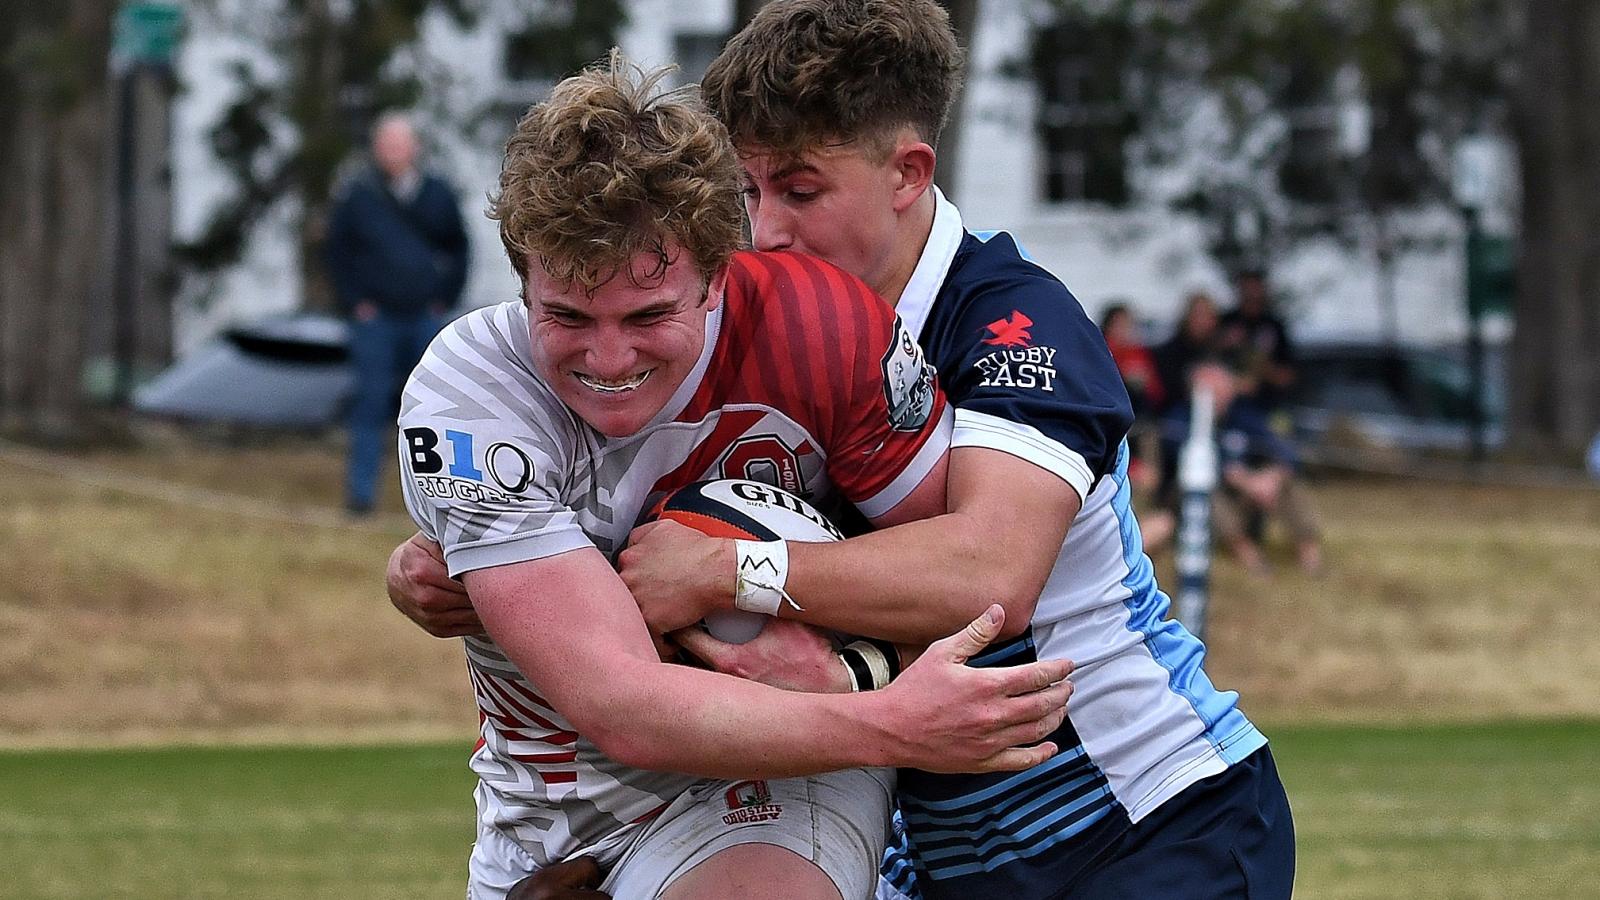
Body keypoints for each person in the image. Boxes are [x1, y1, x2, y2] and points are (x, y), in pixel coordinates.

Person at [392, 2, 1294, 897]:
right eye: (745, 194)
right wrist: (484, 560)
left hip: (1138, 812)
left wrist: (730, 576)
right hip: (954, 848)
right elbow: (678, 512)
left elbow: (989, 573)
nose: (765, 230)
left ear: (907, 173)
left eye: (799, 191)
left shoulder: (1012, 323)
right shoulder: (753, 328)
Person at [325, 113, 470, 514]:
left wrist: (444, 298)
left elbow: (459, 249)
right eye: (386, 144)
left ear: (414, 148)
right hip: (376, 323)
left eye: (399, 143)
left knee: (435, 409)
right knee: (369, 404)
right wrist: (355, 302)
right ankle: (361, 497)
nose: (393, 152)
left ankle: (441, 501)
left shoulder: (438, 194)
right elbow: (336, 253)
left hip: (424, 318)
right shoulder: (357, 196)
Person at [1159, 359, 1324, 574]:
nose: (1221, 397)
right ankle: (1249, 556)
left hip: (1245, 493)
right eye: (1213, 391)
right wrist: (1243, 480)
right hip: (1191, 500)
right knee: (1206, 489)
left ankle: (1309, 554)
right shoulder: (1178, 420)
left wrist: (1272, 476)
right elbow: (1188, 462)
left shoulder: (1242, 415)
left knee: (1287, 481)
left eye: (1224, 391)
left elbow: (1282, 450)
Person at [1218, 269, 1297, 418]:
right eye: (1248, 292)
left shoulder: (1275, 327)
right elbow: (1206, 361)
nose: (1252, 296)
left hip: (1268, 407)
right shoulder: (1226, 322)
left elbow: (1287, 377)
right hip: (1227, 407)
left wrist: (1260, 365)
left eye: (1256, 292)